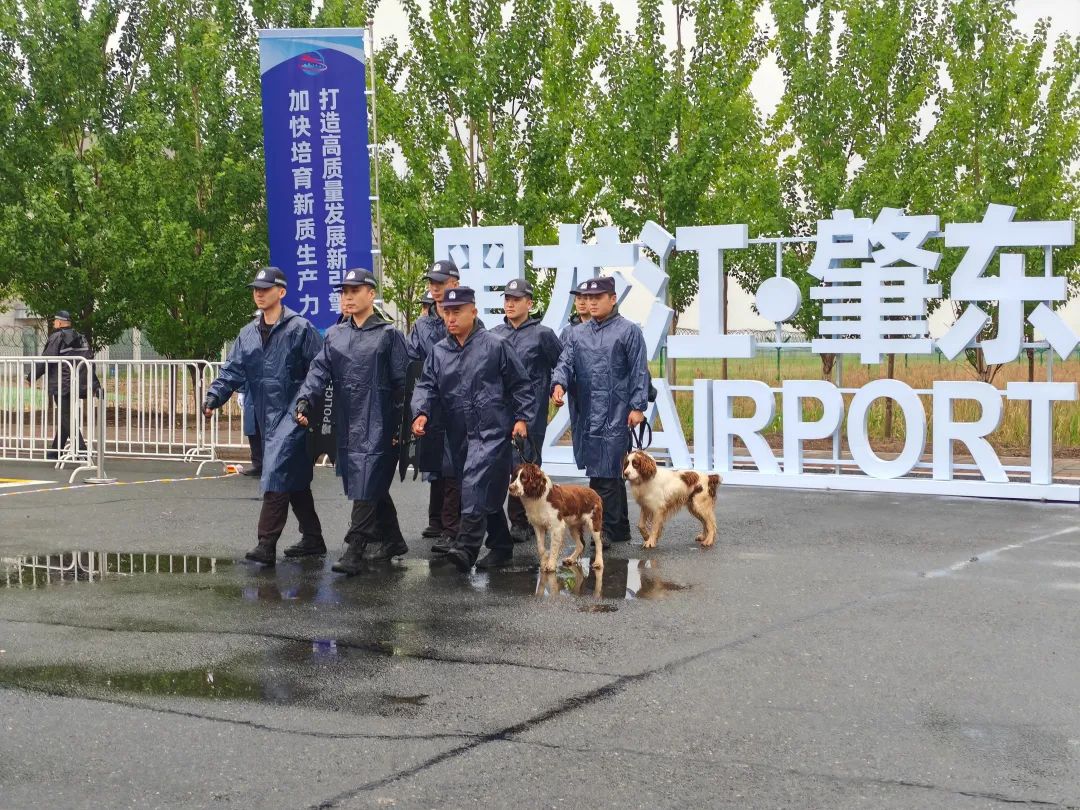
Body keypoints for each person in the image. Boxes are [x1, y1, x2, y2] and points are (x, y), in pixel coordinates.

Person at [203, 267, 325, 566]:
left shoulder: (301, 329)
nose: (259, 293)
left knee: (276, 472)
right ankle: (313, 538)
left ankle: (266, 544)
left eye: (265, 288)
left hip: (295, 414)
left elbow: (319, 371)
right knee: (293, 478)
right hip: (265, 415)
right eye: (256, 289)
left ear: (281, 292)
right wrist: (214, 396)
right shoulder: (247, 333)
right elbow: (233, 369)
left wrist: (307, 405)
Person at [411, 286, 536, 572]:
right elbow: (426, 386)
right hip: (458, 432)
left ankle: (466, 547)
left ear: (474, 311)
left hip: (493, 430)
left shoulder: (495, 345)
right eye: (447, 312)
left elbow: (521, 385)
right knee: (483, 489)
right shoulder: (439, 352)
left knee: (475, 483)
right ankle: (501, 546)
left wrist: (522, 418)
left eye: (457, 312)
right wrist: (421, 413)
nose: (451, 318)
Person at [295, 269, 410, 575]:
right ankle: (393, 540)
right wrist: (305, 400)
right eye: (344, 291)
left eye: (354, 291)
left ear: (371, 294)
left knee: (367, 481)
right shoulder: (335, 335)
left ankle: (355, 548)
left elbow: (403, 383)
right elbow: (318, 371)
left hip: (380, 422)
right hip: (348, 422)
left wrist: (402, 425)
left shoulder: (389, 335)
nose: (347, 297)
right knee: (368, 483)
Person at [551, 275, 650, 546]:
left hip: (616, 410)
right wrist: (558, 384)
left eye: (597, 297)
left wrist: (638, 406)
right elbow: (564, 363)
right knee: (607, 472)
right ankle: (619, 528)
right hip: (587, 411)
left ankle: (602, 529)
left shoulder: (628, 331)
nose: (591, 303)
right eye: (588, 298)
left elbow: (639, 371)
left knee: (606, 472)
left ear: (613, 298)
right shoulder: (576, 333)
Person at [491, 278, 563, 543]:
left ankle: (523, 521)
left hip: (531, 410)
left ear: (529, 304)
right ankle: (506, 520)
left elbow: (561, 364)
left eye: (516, 299)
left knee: (524, 465)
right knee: (498, 464)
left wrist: (557, 387)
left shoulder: (542, 334)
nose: (510, 304)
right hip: (499, 410)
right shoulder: (495, 334)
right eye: (507, 299)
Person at [406, 260, 462, 549]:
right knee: (435, 461)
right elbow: (411, 361)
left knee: (454, 464)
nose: (435, 288)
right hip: (431, 401)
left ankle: (453, 528)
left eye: (440, 282)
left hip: (459, 403)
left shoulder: (464, 315)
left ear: (455, 283)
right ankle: (436, 520)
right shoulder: (422, 325)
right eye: (432, 283)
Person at [29, 310, 99, 460]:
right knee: (65, 417)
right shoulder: (82, 338)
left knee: (66, 417)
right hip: (78, 383)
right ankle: (56, 451)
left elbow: (46, 359)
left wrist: (31, 377)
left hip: (62, 385)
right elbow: (89, 362)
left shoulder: (57, 337)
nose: (54, 323)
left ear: (60, 322)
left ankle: (82, 450)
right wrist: (94, 384)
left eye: (55, 321)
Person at [559, 282, 594, 470]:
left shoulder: (607, 328)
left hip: (604, 394)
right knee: (581, 437)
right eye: (578, 298)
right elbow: (560, 362)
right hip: (578, 395)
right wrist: (559, 385)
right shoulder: (568, 332)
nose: (581, 302)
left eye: (586, 298)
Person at [239, 385, 262, 477]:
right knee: (253, 428)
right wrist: (241, 391)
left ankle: (267, 466)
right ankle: (258, 465)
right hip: (250, 393)